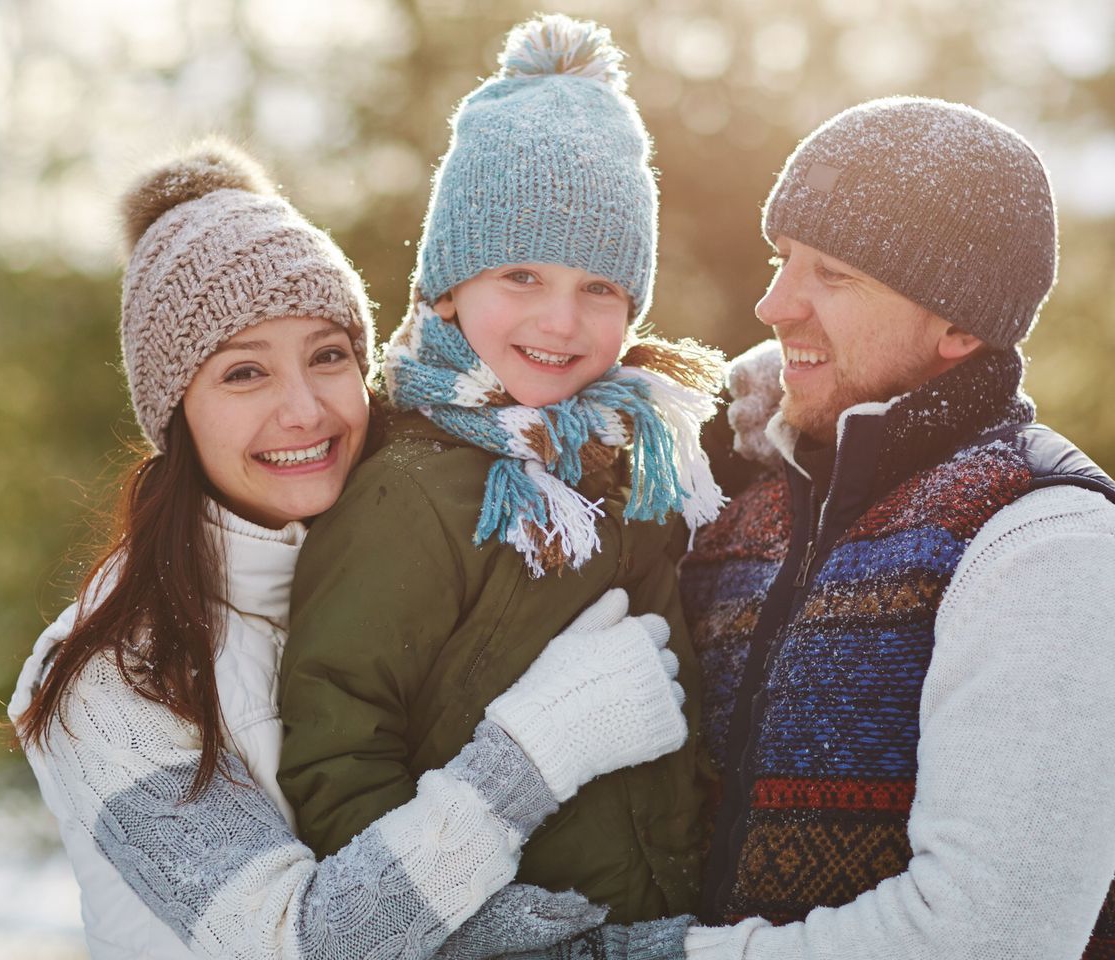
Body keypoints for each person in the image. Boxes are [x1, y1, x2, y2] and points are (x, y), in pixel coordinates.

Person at [521, 96, 1115, 960]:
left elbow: (984, 940)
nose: (773, 304)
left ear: (960, 325)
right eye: (783, 259)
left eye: (832, 275)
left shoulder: (1051, 549)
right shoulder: (740, 497)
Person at [5, 140, 692, 959]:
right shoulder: (113, 677)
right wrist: (538, 751)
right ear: (174, 408)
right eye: (244, 374)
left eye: (328, 357)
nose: (304, 410)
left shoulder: (402, 554)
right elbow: (290, 943)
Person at [277, 14, 722, 929]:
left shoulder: (633, 465)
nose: (561, 323)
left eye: (599, 288)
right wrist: (469, 932)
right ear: (448, 286)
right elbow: (339, 755)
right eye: (521, 276)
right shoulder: (408, 492)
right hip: (494, 925)